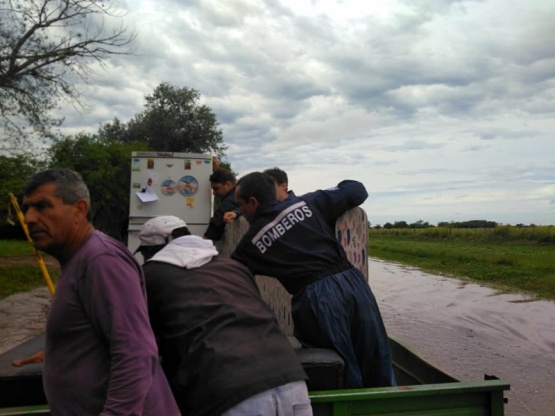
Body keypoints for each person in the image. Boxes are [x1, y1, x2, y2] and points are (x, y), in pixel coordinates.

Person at [21, 168, 179, 416]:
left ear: (79, 210)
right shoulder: (79, 259)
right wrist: (60, 353)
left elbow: (136, 354)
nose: (29, 218)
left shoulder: (100, 260)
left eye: (42, 206)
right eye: (26, 208)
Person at [231, 172, 396, 389]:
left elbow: (231, 277)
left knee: (336, 369)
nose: (239, 212)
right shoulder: (308, 202)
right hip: (353, 284)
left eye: (240, 205)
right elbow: (357, 189)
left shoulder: (250, 244)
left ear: (253, 202)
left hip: (316, 301)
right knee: (376, 354)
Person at [136, 215, 312, 416]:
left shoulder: (147, 277)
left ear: (151, 250)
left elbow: (140, 342)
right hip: (290, 379)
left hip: (227, 391)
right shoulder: (233, 267)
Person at [203, 168, 239, 241]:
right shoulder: (239, 195)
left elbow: (217, 222)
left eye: (216, 188)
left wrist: (206, 241)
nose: (214, 193)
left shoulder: (229, 201)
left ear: (228, 184)